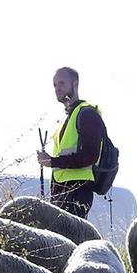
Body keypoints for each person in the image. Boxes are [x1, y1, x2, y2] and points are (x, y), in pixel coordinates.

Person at [35, 66, 113, 219]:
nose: (57, 88)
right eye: (55, 84)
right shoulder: (67, 119)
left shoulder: (87, 114)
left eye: (62, 83)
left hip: (77, 192)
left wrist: (52, 161)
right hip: (62, 193)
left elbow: (90, 155)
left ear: (75, 84)